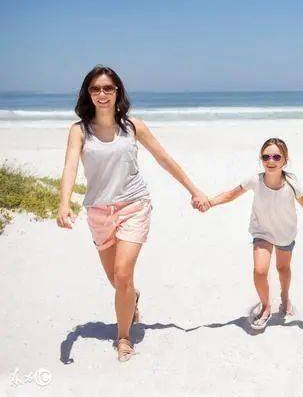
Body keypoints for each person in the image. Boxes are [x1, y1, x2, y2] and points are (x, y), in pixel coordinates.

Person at [57, 66, 209, 361]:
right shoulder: (79, 130)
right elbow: (70, 166)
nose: (102, 94)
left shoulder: (133, 127)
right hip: (99, 211)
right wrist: (64, 204)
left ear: (118, 92)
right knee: (118, 282)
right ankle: (132, 298)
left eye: (108, 88)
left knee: (123, 273)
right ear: (88, 93)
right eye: (95, 89)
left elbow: (165, 159)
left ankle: (124, 337)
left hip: (134, 206)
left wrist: (194, 190)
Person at [204, 138, 303, 330]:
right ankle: (266, 307)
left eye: (276, 157)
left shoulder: (292, 184)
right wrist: (210, 202)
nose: (271, 161)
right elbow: (230, 194)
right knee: (260, 271)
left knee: (283, 269)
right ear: (261, 159)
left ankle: (285, 297)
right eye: (266, 157)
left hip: (285, 233)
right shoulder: (255, 180)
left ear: (285, 160)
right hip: (262, 232)